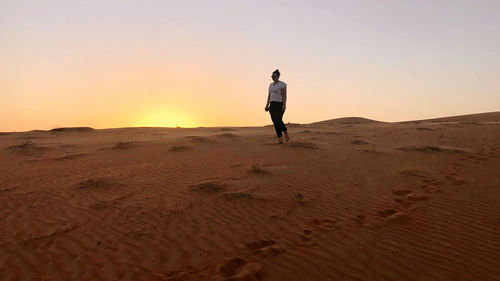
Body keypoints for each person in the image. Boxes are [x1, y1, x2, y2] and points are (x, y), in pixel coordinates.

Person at [265, 69, 290, 144]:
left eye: (274, 76)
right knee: (275, 122)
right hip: (272, 105)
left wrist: (284, 105)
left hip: (279, 104)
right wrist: (267, 105)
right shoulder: (270, 85)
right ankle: (280, 138)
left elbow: (284, 96)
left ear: (278, 77)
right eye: (272, 76)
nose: (273, 77)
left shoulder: (282, 84)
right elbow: (269, 96)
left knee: (278, 120)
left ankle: (285, 133)